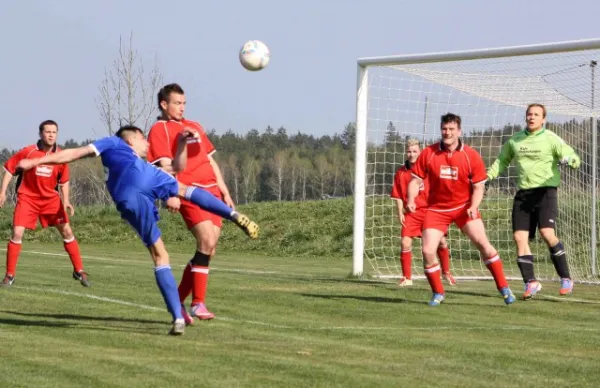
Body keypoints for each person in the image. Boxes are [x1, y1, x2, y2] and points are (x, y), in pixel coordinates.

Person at [16, 125, 259, 335]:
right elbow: (74, 153)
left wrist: (182, 143)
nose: (148, 144)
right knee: (186, 191)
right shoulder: (114, 142)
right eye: (144, 139)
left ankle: (177, 317)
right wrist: (36, 161)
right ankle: (233, 215)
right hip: (140, 177)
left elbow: (176, 165)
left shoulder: (134, 158)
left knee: (160, 255)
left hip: (127, 198)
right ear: (132, 138)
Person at [147, 83, 235, 324]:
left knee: (210, 248)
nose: (181, 108)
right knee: (206, 241)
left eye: (184, 103)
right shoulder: (160, 129)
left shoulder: (194, 126)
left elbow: (210, 161)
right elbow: (164, 165)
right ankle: (198, 303)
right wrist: (170, 194)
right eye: (177, 103)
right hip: (189, 192)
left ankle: (177, 301)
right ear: (164, 105)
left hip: (212, 192)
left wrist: (224, 191)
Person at [406, 113, 515, 306]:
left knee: (484, 244)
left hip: (464, 208)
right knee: (427, 250)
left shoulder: (471, 156)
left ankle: (504, 288)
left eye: (451, 129)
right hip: (437, 210)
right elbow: (415, 180)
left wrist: (474, 206)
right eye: (444, 129)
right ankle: (438, 293)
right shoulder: (429, 153)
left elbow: (479, 187)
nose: (447, 133)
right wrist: (411, 198)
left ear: (459, 131)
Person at [487, 103, 581, 300]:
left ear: (543, 119)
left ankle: (566, 278)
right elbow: (501, 161)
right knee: (519, 238)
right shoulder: (515, 140)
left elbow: (573, 157)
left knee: (547, 233)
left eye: (536, 115)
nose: (532, 117)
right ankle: (531, 282)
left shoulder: (551, 138)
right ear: (526, 117)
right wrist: (487, 176)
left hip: (545, 193)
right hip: (523, 195)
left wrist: (569, 159)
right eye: (529, 114)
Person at [0, 120, 89, 287]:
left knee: (67, 231)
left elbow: (64, 181)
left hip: (51, 200)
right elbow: (9, 170)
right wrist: (2, 192)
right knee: (17, 233)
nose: (51, 135)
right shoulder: (28, 151)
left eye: (54, 132)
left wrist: (67, 200)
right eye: (47, 132)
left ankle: (79, 271)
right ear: (40, 134)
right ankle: (9, 275)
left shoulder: (61, 156)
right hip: (28, 198)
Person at [390, 138, 456, 287]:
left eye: (415, 151)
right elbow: (398, 196)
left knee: (441, 241)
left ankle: (446, 273)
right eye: (409, 151)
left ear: (420, 152)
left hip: (430, 211)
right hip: (411, 213)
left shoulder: (429, 168)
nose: (412, 154)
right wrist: (400, 212)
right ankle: (407, 278)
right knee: (405, 242)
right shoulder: (401, 173)